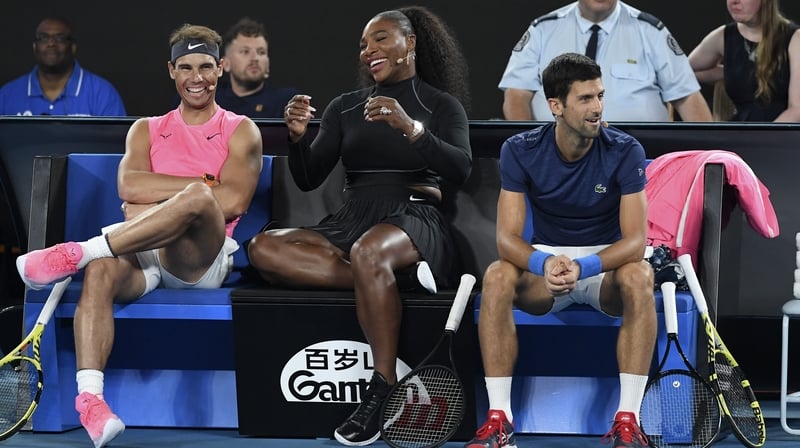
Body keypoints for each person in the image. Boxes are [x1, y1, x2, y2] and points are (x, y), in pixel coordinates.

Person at [14, 23, 262, 448]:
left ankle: (77, 251)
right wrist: (198, 184)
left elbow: (234, 200)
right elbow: (129, 188)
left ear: (220, 69)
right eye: (186, 67)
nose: (196, 77)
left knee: (201, 200)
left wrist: (173, 197)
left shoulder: (241, 130)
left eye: (205, 66)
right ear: (171, 71)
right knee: (101, 273)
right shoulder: (145, 129)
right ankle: (91, 401)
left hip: (199, 259)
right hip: (144, 254)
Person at [246, 6, 471, 446]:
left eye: (382, 39)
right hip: (352, 218)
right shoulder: (344, 107)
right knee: (262, 248)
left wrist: (410, 128)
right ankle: (392, 281)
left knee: (371, 253)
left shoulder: (440, 105)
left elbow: (459, 169)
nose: (370, 51)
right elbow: (310, 176)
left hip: (414, 214)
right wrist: (296, 138)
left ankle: (382, 386)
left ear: (410, 43)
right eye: (364, 45)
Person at [468, 53, 655, 448]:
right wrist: (546, 262)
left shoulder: (625, 150)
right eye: (586, 99)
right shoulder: (520, 150)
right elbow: (506, 240)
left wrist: (583, 267)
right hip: (548, 270)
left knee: (640, 275)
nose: (598, 108)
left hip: (604, 269)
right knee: (498, 275)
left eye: (601, 96)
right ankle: (500, 418)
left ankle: (628, 421)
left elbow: (636, 242)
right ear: (556, 106)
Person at [498, 0, 712, 122]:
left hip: (639, 158)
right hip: (557, 157)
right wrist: (531, 149)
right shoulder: (543, 30)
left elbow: (688, 98)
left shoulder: (650, 31)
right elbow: (516, 95)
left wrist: (708, 158)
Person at [688, 0, 800, 122]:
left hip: (781, 134)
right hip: (739, 133)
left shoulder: (794, 38)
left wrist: (762, 139)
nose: (734, 2)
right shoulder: (724, 36)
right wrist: (733, 72)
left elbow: (797, 109)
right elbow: (685, 70)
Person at [0, 17, 126, 116]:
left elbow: (116, 146)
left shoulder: (103, 93)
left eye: (60, 38)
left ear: (73, 47)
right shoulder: (7, 95)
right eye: (43, 38)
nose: (51, 43)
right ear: (34, 47)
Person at [216, 17, 299, 118]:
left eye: (261, 52)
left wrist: (296, 133)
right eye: (245, 51)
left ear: (268, 64)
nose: (255, 58)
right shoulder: (212, 100)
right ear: (226, 64)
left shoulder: (286, 102)